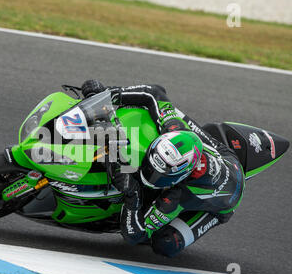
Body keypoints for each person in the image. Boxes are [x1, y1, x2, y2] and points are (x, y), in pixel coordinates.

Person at [81, 80, 245, 257]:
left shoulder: (178, 196)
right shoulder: (175, 127)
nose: (148, 171)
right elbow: (154, 92)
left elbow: (135, 235)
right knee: (155, 112)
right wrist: (107, 94)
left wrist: (133, 196)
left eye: (158, 173)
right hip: (226, 156)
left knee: (165, 243)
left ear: (180, 178)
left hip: (219, 207)